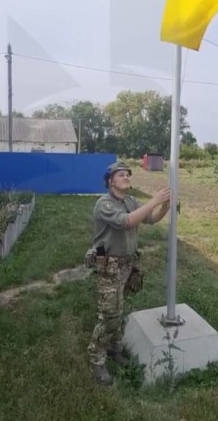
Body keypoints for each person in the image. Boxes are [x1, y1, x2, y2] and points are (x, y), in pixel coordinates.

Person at [87, 162, 171, 385]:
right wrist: (154, 201)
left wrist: (164, 208)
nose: (126, 177)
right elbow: (126, 222)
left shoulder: (131, 201)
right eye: (120, 175)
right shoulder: (104, 204)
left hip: (127, 264)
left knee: (119, 307)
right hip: (110, 265)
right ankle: (96, 359)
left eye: (127, 174)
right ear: (110, 181)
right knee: (110, 315)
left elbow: (149, 219)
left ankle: (115, 348)